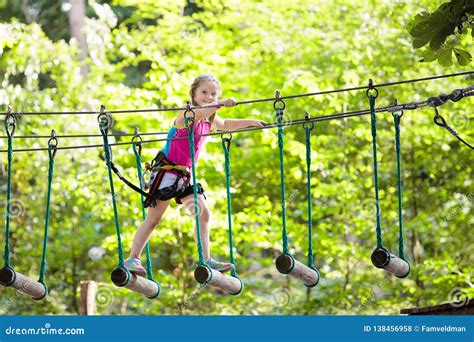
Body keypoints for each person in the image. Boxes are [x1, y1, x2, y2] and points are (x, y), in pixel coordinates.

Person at [124, 74, 265, 276]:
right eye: (204, 92)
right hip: (167, 173)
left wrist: (251, 122)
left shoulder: (209, 121)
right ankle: (132, 258)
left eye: (213, 94)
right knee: (154, 219)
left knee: (203, 213)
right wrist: (220, 104)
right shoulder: (186, 114)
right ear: (194, 94)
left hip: (184, 177)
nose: (209, 96)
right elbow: (197, 115)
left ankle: (206, 260)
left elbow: (225, 124)